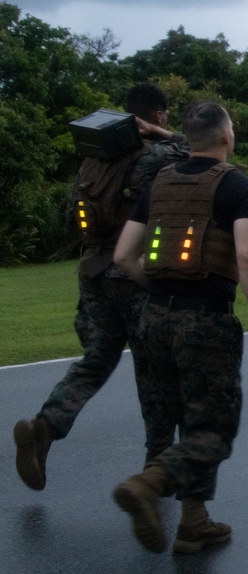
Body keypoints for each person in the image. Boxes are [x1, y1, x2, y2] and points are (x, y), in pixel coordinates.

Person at [112, 100, 248, 554]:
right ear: (226, 136)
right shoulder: (240, 188)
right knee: (213, 429)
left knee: (179, 418)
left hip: (151, 320)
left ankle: (194, 521)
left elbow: (124, 256)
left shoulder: (158, 183)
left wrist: (162, 293)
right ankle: (150, 485)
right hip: (204, 323)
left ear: (188, 137)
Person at [13, 83, 188, 492]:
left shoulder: (92, 162)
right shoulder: (153, 156)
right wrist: (167, 136)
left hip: (92, 272)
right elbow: (195, 150)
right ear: (157, 116)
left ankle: (45, 426)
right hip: (131, 271)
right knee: (153, 370)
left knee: (97, 359)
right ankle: (157, 464)